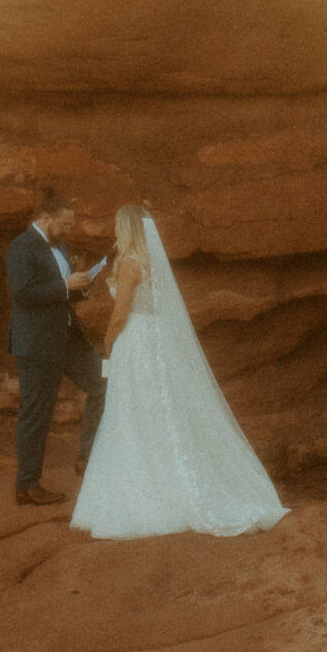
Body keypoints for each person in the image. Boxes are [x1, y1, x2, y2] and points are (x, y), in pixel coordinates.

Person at [71, 202, 288, 539]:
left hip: (135, 340)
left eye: (117, 226)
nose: (114, 231)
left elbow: (120, 313)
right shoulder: (149, 263)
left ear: (126, 228)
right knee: (153, 409)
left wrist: (109, 343)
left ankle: (151, 489)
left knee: (131, 411)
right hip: (152, 338)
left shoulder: (129, 264)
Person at [6, 188, 106, 506]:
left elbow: (64, 293)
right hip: (37, 343)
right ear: (46, 218)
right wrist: (65, 285)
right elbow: (23, 295)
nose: (68, 230)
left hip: (68, 338)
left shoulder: (59, 245)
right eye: (65, 224)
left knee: (104, 383)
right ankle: (27, 486)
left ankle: (88, 459)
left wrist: (81, 285)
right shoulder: (22, 246)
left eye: (71, 224)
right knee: (37, 412)